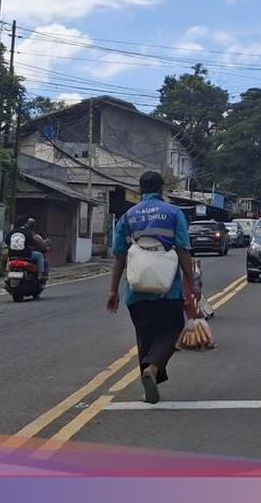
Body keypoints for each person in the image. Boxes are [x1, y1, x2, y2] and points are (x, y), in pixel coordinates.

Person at [106, 171, 198, 404]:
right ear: (161, 189)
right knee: (172, 328)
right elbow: (183, 251)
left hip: (137, 290)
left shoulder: (127, 216)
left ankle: (149, 383)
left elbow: (118, 256)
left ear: (140, 189)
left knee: (144, 336)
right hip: (169, 289)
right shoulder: (174, 213)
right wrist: (192, 284)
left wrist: (114, 290)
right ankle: (153, 369)